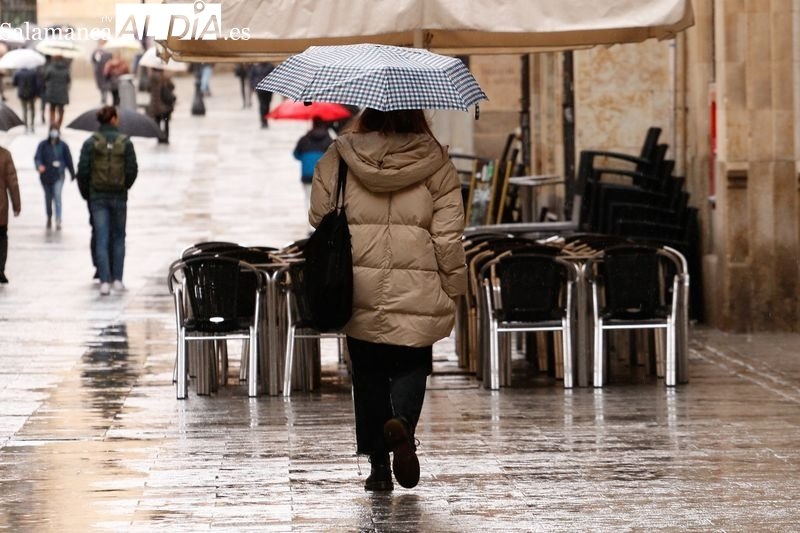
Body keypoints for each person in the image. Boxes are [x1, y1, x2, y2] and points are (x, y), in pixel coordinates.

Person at [308, 108, 467, 492]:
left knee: (367, 375)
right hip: (417, 283)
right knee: (412, 362)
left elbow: (318, 216)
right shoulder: (437, 162)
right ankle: (404, 428)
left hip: (356, 284)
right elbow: (448, 236)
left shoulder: (339, 156)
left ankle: (379, 467)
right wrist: (454, 284)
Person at [76, 106, 138, 296]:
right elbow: (132, 170)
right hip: (119, 196)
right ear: (112, 119)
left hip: (98, 197)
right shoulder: (125, 142)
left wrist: (89, 194)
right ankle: (117, 279)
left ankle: (104, 281)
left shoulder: (90, 143)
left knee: (101, 239)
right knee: (119, 237)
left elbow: (83, 171)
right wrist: (124, 186)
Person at [34, 127, 75, 230]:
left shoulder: (63, 145)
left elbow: (69, 159)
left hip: (59, 175)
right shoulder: (43, 145)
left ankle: (58, 219)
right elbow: (37, 157)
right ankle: (49, 216)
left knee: (57, 196)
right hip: (46, 176)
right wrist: (39, 166)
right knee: (48, 198)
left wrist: (72, 173)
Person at [293, 117, 333, 216]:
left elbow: (296, 155)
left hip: (307, 174)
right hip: (322, 176)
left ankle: (310, 227)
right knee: (322, 200)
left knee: (308, 198)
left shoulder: (304, 139)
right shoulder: (328, 140)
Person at [0, 144, 21, 284]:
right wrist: (16, 204)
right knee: (1, 237)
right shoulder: (4, 155)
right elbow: (12, 182)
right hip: (0, 206)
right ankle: (0, 269)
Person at [146, 69, 176, 144]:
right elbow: (172, 87)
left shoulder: (151, 78)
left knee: (157, 122)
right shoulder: (164, 77)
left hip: (155, 106)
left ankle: (159, 137)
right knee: (166, 122)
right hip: (165, 106)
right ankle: (166, 138)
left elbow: (148, 89)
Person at [43, 55, 71, 129]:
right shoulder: (66, 68)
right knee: (61, 110)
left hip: (52, 91)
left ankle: (52, 125)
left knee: (52, 109)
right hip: (62, 92)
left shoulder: (50, 68)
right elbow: (68, 80)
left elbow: (45, 77)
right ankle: (58, 125)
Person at [12, 67, 42, 133]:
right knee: (32, 110)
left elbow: (14, 83)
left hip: (22, 94)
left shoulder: (18, 73)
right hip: (32, 94)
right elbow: (38, 84)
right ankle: (32, 124)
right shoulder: (33, 73)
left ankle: (25, 125)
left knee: (24, 110)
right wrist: (37, 94)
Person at [249, 62, 274, 128]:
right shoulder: (255, 67)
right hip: (260, 89)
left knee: (267, 105)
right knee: (262, 105)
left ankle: (266, 119)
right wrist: (253, 86)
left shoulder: (270, 66)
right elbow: (251, 77)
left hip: (269, 89)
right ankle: (263, 121)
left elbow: (274, 77)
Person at [91, 40, 113, 105]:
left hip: (106, 71)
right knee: (101, 86)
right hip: (99, 72)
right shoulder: (96, 51)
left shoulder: (108, 51)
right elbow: (93, 60)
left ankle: (104, 99)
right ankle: (103, 98)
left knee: (105, 86)